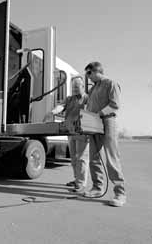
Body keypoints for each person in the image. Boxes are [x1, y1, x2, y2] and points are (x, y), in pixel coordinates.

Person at [84, 61, 126, 207]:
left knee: (111, 157)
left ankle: (120, 193)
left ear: (95, 71)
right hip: (93, 123)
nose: (88, 78)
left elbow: (115, 105)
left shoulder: (111, 83)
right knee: (94, 156)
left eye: (88, 74)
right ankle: (97, 187)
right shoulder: (92, 89)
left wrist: (98, 114)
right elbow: (89, 106)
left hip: (108, 122)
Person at [47, 76, 89, 193]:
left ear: (82, 86)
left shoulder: (87, 98)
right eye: (73, 87)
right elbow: (61, 106)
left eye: (77, 87)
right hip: (70, 132)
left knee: (82, 158)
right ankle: (77, 180)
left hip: (82, 133)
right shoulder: (69, 99)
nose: (75, 89)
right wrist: (52, 112)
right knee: (74, 158)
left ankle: (81, 184)